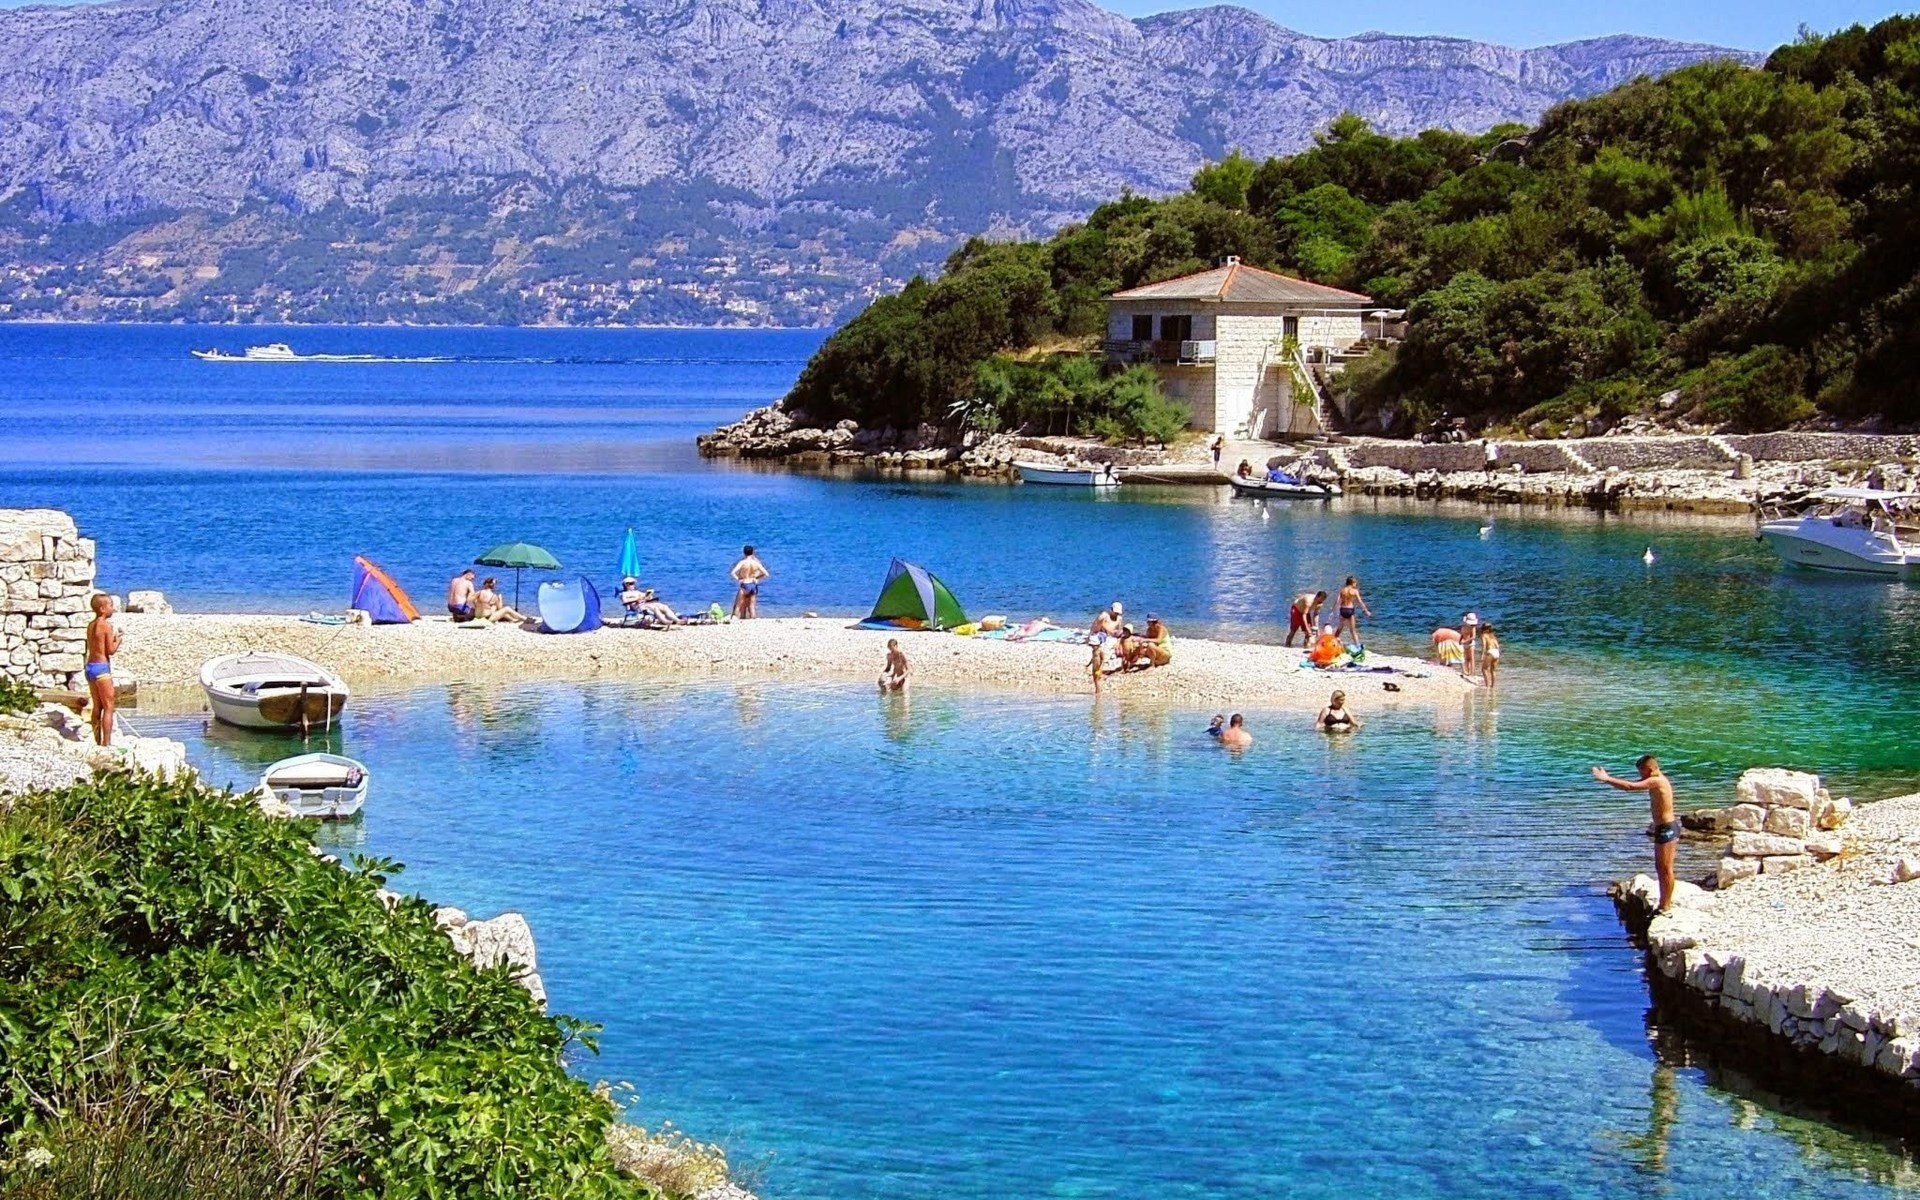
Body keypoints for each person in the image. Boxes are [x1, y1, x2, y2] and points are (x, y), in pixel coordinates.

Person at [1593, 756, 1679, 913]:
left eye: (1642, 772)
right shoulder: (1654, 780)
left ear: (1650, 770)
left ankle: (1666, 906)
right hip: (1662, 828)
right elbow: (1632, 784)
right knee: (1660, 867)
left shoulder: (1657, 781)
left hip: (1667, 828)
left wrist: (1606, 779)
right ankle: (1663, 903)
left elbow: (1630, 786)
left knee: (1666, 869)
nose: (1640, 776)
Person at [84, 593, 121, 747]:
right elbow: (110, 650)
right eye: (110, 605)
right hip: (101, 668)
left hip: (90, 667)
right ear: (102, 608)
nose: (113, 608)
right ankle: (106, 743)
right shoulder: (106, 626)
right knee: (108, 706)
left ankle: (96, 740)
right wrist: (118, 640)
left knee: (97, 706)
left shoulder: (91, 625)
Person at [730, 545, 768, 619]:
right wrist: (757, 579)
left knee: (739, 605)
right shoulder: (756, 563)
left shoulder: (742, 562)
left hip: (745, 584)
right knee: (752, 606)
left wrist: (739, 579)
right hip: (753, 584)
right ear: (752, 552)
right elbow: (766, 574)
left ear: (744, 553)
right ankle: (753, 620)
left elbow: (733, 573)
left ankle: (736, 619)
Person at [1336, 576, 1370, 644]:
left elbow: (1337, 601)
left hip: (1343, 610)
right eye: (1355, 583)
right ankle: (1357, 645)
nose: (1356, 584)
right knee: (1353, 630)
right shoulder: (1355, 591)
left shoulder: (1342, 590)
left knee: (1339, 628)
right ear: (1352, 583)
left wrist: (1332, 611)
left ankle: (1333, 642)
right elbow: (1360, 601)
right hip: (1350, 610)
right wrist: (1366, 611)